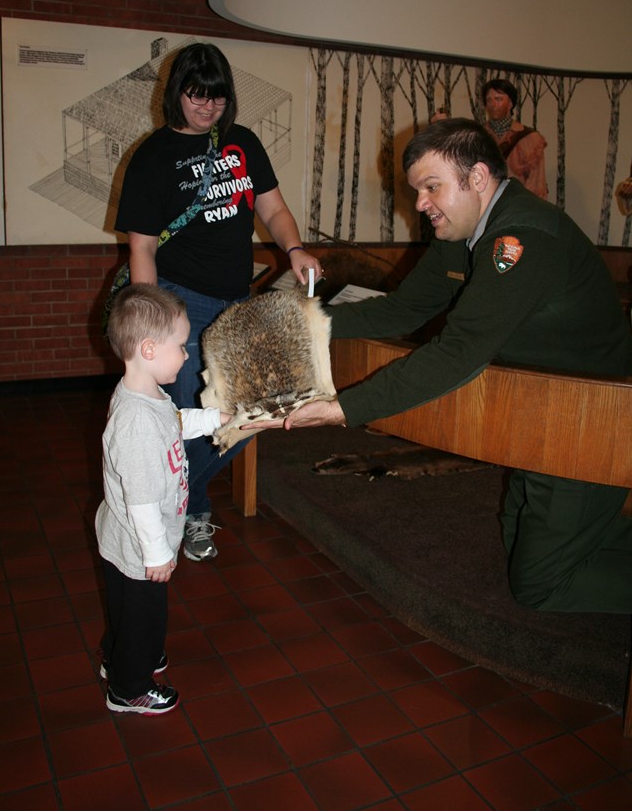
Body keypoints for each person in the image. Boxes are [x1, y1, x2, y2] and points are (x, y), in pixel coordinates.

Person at [252, 118, 632, 614]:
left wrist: (343, 408)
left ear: (477, 178)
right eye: (417, 191)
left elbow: (459, 352)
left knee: (541, 583)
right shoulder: (463, 230)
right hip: (544, 411)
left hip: (594, 420)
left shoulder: (521, 239)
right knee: (520, 530)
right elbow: (404, 309)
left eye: (432, 187)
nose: (421, 204)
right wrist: (304, 325)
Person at [115, 42, 322, 562]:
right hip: (181, 304)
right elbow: (141, 245)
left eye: (217, 97)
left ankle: (173, 502)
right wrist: (154, 318)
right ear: (175, 94)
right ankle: (194, 512)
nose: (208, 107)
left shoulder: (242, 143)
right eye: (196, 96)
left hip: (237, 304)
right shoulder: (152, 155)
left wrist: (293, 247)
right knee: (183, 418)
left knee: (254, 412)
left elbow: (273, 210)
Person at [96, 284, 230, 715]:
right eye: (181, 346)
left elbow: (174, 422)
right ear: (149, 349)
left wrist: (215, 419)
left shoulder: (147, 395)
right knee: (143, 615)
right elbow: (140, 501)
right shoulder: (134, 424)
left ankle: (119, 655)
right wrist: (157, 554)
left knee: (126, 611)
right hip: (139, 545)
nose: (188, 355)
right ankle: (128, 687)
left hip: (128, 541)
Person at [482, 78, 548, 199]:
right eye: (489, 100)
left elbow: (537, 184)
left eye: (498, 99)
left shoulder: (530, 139)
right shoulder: (477, 137)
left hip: (517, 206)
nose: (493, 104)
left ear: (510, 103)